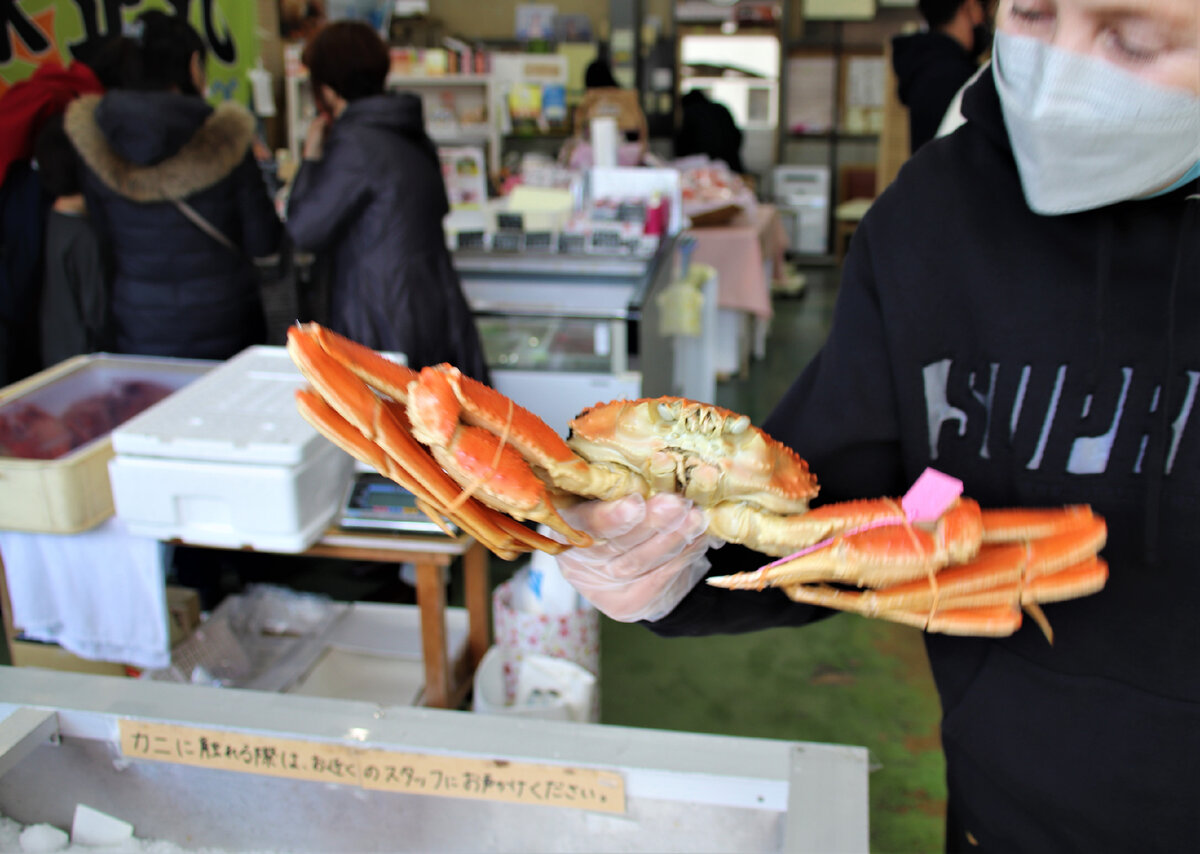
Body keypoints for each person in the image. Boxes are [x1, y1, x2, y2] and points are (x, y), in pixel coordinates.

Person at [554, 1, 1200, 850]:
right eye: (1035, 13)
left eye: (1133, 38)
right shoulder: (931, 216)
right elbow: (837, 494)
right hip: (995, 811)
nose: (1066, 72)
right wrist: (674, 567)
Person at [62, 11, 281, 360]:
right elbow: (263, 242)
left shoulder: (96, 140)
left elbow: (101, 240)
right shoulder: (225, 138)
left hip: (139, 323)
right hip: (224, 320)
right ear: (193, 65)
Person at [285, 21, 489, 383]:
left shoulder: (356, 144)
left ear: (328, 89)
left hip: (378, 313)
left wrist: (311, 158)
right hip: (432, 304)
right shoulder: (407, 129)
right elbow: (439, 205)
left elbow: (303, 230)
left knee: (387, 428)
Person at [33, 114, 111, 368]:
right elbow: (97, 316)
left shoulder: (51, 217)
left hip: (55, 353)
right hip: (81, 361)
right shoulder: (83, 236)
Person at [892, 0, 990, 152]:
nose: (983, 18)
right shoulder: (954, 75)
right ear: (967, 7)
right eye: (981, 7)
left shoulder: (925, 62)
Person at [674, 88, 745, 174]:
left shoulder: (691, 112)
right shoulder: (721, 108)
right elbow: (738, 136)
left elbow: (683, 142)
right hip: (731, 164)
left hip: (706, 168)